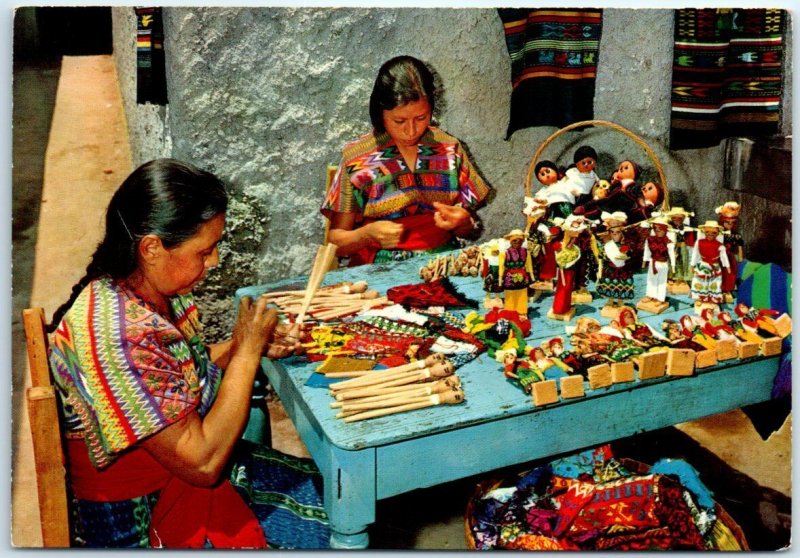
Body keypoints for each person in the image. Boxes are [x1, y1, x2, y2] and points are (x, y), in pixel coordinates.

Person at [48, 159, 330, 549]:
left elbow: (177, 371)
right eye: (206, 250)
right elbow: (202, 464)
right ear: (151, 247)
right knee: (338, 521)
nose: (213, 262)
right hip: (145, 516)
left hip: (178, 468)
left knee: (335, 489)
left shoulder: (148, 290)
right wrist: (246, 356)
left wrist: (238, 348)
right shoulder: (120, 336)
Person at [321, 55, 493, 266]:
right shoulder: (357, 159)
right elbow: (335, 243)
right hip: (377, 270)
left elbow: (471, 231)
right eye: (399, 120)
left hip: (442, 264)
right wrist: (367, 234)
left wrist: (464, 222)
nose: (411, 130)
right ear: (380, 113)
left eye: (421, 118)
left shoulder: (449, 149)